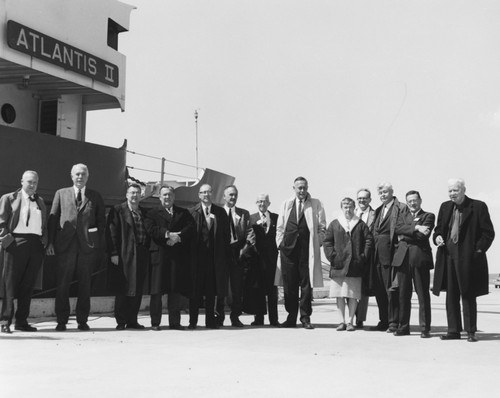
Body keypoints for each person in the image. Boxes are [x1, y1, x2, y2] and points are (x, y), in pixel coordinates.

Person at [433, 178, 495, 342]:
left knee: (468, 294)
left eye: (455, 190)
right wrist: (437, 237)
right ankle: (453, 330)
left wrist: (477, 252)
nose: (452, 193)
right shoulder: (445, 207)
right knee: (451, 295)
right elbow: (438, 229)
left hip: (469, 258)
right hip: (448, 256)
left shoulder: (478, 206)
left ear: (463, 190)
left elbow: (488, 233)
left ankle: (470, 332)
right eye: (450, 191)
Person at [47, 163, 105, 331]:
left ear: (88, 177)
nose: (80, 177)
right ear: (72, 176)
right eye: (77, 174)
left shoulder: (95, 196)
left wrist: (94, 240)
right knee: (62, 284)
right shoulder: (61, 193)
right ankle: (61, 321)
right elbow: (53, 218)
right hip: (65, 246)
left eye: (83, 174)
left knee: (85, 284)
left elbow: (101, 221)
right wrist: (50, 242)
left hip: (87, 248)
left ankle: (82, 320)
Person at [276, 176, 326, 329]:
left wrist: (317, 242)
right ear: (294, 188)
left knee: (306, 285)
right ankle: (291, 318)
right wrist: (280, 244)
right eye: (299, 188)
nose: (302, 190)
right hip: (288, 252)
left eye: (304, 187)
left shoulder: (316, 204)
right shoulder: (286, 204)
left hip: (307, 251)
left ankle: (305, 318)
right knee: (289, 285)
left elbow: (322, 228)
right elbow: (280, 228)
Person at [0, 171, 47, 333]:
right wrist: (7, 241)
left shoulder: (39, 201)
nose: (32, 185)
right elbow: (2, 222)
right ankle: (5, 321)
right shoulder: (8, 198)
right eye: (29, 182)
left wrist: (43, 244)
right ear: (21, 181)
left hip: (35, 245)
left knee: (28, 286)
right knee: (9, 285)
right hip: (15, 244)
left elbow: (44, 226)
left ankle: (22, 321)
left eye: (35, 182)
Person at [144, 185, 194, 331]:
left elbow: (190, 228)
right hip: (159, 256)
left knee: (175, 290)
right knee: (157, 291)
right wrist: (168, 235)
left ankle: (175, 322)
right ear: (160, 197)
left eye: (170, 195)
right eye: (164, 195)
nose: (167, 197)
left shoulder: (183, 213)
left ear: (174, 197)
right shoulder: (152, 213)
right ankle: (155, 323)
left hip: (176, 257)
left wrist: (178, 237)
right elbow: (151, 229)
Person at [323, 198, 373, 331]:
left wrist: (362, 257)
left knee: (352, 295)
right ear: (341, 208)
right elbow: (327, 242)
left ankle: (350, 321)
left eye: (350, 206)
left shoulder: (360, 224)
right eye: (345, 206)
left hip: (355, 266)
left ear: (354, 207)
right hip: (338, 266)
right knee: (339, 295)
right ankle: (341, 321)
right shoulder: (335, 224)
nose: (348, 209)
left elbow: (369, 241)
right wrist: (333, 257)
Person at [106, 184, 150, 330]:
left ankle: (133, 320)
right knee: (123, 288)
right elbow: (111, 232)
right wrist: (113, 253)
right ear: (126, 194)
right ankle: (121, 321)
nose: (134, 195)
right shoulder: (118, 210)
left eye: (137, 193)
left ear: (141, 195)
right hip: (125, 253)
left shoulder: (144, 212)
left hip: (141, 253)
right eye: (132, 192)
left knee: (137, 288)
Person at [391, 190, 434, 338]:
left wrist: (405, 235)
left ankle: (424, 328)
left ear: (420, 200)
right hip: (402, 260)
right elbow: (396, 229)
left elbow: (423, 236)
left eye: (415, 200)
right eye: (409, 201)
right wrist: (416, 227)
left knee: (423, 295)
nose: (412, 203)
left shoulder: (428, 216)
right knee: (403, 295)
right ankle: (403, 327)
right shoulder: (402, 216)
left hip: (419, 259)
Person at [188, 184, 230, 329]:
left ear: (212, 193)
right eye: (203, 192)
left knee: (212, 292)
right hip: (197, 260)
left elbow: (226, 236)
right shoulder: (192, 212)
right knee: (195, 292)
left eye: (208, 192)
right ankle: (192, 321)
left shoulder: (220, 212)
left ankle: (210, 321)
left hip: (214, 260)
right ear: (199, 195)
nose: (206, 194)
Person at [369, 182, 406, 332]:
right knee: (379, 291)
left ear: (392, 192)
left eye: (385, 192)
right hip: (376, 255)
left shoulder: (400, 207)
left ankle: (393, 322)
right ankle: (383, 320)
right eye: (381, 193)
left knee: (391, 290)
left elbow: (403, 229)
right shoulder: (378, 210)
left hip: (391, 255)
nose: (383, 195)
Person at [242, 193, 279, 326]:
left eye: (264, 201)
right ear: (256, 203)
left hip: (272, 260)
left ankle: (274, 319)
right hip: (256, 260)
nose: (261, 204)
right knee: (258, 290)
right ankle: (259, 319)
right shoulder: (251, 218)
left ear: (269, 203)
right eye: (259, 202)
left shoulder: (275, 217)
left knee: (272, 291)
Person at [217, 185, 250, 327]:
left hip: (238, 255)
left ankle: (235, 317)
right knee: (220, 288)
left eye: (235, 194)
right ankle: (219, 317)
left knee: (237, 289)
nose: (233, 197)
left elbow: (250, 234)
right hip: (221, 255)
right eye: (230, 195)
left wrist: (245, 249)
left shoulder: (244, 213)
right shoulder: (217, 212)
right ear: (224, 197)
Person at [354, 188, 376, 328]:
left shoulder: (376, 214)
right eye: (360, 198)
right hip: (352, 256)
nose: (362, 200)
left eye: (365, 198)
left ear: (370, 200)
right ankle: (350, 316)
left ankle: (360, 318)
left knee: (363, 290)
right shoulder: (351, 212)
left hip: (368, 256)